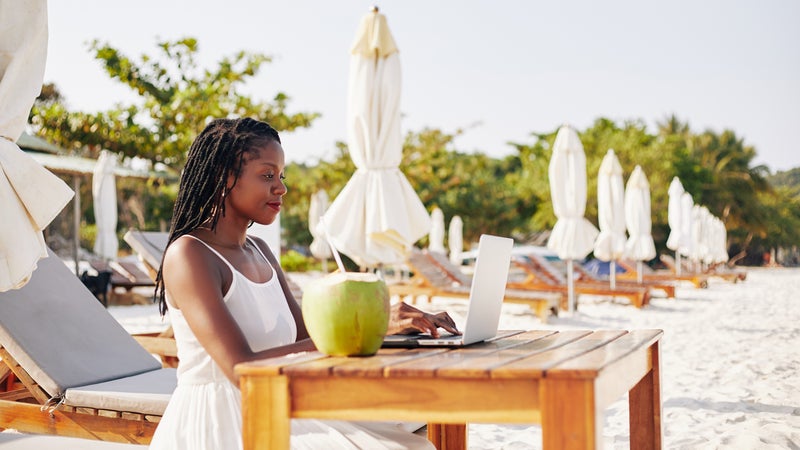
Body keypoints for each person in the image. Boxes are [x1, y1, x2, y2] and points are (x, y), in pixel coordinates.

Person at [149, 117, 459, 450]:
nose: (281, 188)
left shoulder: (260, 250)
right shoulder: (190, 255)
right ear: (224, 177)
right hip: (224, 420)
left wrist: (383, 325)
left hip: (281, 403)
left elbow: (307, 339)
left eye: (281, 177)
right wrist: (374, 327)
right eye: (267, 176)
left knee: (414, 427)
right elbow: (241, 370)